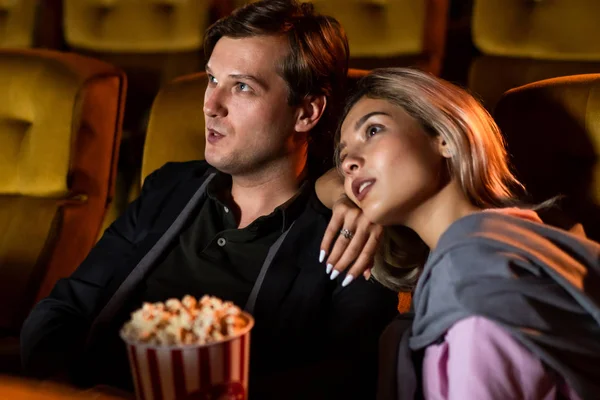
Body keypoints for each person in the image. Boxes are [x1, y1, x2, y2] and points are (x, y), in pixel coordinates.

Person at [20, 2, 399, 399]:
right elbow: (62, 310)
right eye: (212, 79)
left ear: (306, 112)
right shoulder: (169, 188)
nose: (210, 105)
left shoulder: (348, 229)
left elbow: (350, 375)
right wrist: (61, 387)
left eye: (241, 87)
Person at [318, 68, 600, 399]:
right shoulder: (510, 242)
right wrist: (343, 197)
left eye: (373, 130)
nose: (349, 162)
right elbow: (324, 182)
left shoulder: (473, 278)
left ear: (445, 138)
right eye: (343, 153)